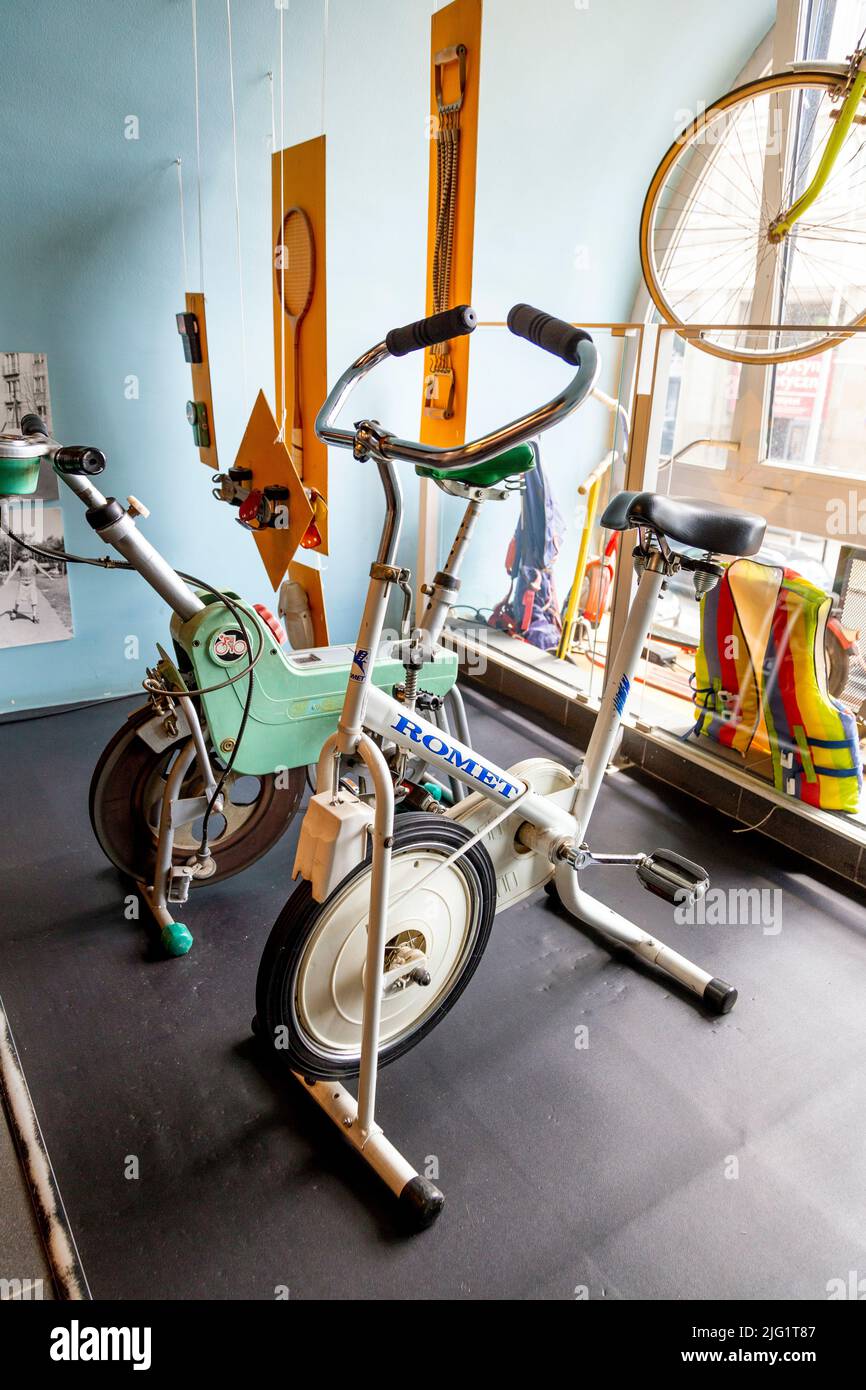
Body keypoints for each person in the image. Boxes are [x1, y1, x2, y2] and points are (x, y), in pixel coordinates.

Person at [6, 553, 52, 624]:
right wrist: (7, 579)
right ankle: (15, 612)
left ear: (29, 555)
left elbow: (41, 569)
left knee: (33, 598)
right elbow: (13, 572)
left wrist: (49, 576)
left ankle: (34, 616)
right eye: (23, 555)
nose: (25, 557)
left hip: (31, 582)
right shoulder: (19, 562)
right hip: (22, 582)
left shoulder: (33, 562)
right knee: (19, 598)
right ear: (21, 556)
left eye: (26, 555)